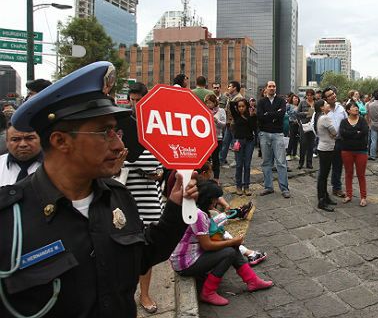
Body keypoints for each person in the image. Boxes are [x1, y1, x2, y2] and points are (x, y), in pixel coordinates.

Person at [0, 61, 198, 317]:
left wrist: (176, 207)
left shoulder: (117, 196)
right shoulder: (8, 218)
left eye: (116, 131)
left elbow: (142, 256)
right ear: (60, 141)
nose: (118, 146)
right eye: (105, 132)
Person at [170, 180, 273, 306]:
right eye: (215, 199)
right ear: (208, 199)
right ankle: (208, 292)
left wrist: (231, 242)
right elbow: (207, 245)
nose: (216, 202)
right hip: (185, 263)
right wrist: (232, 242)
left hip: (190, 256)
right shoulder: (198, 215)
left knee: (232, 248)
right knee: (229, 252)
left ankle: (253, 281)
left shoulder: (196, 209)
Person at [120, 149, 164, 314]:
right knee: (124, 253)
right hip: (125, 203)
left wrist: (157, 174)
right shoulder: (119, 141)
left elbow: (160, 169)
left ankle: (144, 295)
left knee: (146, 251)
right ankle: (125, 294)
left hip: (149, 203)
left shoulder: (152, 143)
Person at [257, 81, 290, 198]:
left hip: (278, 134)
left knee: (281, 162)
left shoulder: (281, 101)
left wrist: (268, 115)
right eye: (269, 86)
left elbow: (281, 115)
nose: (272, 88)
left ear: (276, 88)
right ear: (266, 88)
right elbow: (259, 116)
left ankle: (284, 188)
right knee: (266, 162)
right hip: (264, 134)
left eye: (274, 86)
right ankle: (268, 187)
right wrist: (274, 114)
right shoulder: (261, 102)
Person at [339, 101, 369, 206]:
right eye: (353, 107)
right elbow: (343, 133)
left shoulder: (362, 120)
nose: (356, 108)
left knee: (361, 175)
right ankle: (349, 195)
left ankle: (363, 197)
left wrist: (351, 134)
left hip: (361, 151)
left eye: (356, 107)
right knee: (348, 173)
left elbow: (365, 131)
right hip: (347, 150)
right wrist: (356, 132)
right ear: (348, 110)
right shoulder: (343, 121)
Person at [323, 87, 348, 198]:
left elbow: (347, 121)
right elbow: (315, 125)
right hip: (327, 142)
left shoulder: (341, 108)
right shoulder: (323, 110)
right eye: (329, 95)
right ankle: (322, 190)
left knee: (338, 166)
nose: (333, 96)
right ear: (326, 99)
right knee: (325, 167)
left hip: (339, 142)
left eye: (333, 94)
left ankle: (336, 188)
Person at [230, 98, 257, 195]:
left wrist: (252, 116)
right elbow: (231, 104)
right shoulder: (236, 115)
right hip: (238, 141)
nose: (241, 108)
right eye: (239, 106)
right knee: (239, 165)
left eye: (243, 106)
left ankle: (246, 186)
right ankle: (238, 186)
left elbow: (254, 128)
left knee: (247, 165)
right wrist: (238, 100)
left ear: (246, 107)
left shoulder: (251, 115)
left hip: (249, 141)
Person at [315, 99, 337, 212]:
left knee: (323, 175)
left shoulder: (320, 117)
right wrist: (333, 134)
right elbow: (334, 132)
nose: (328, 105)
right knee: (323, 175)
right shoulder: (325, 118)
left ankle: (325, 197)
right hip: (326, 149)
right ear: (322, 108)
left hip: (324, 148)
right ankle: (322, 200)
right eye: (326, 104)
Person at [220, 81, 244, 167]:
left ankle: (237, 160)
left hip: (235, 125)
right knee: (226, 142)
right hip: (229, 124)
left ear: (234, 88)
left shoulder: (238, 98)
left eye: (230, 86)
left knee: (235, 143)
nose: (228, 88)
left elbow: (238, 113)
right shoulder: (231, 97)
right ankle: (221, 159)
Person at [205, 93, 226, 182]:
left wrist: (217, 121)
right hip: (206, 138)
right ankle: (206, 176)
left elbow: (224, 124)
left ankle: (216, 178)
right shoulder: (205, 110)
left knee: (215, 158)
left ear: (214, 102)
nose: (208, 105)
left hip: (217, 138)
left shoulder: (221, 111)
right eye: (207, 103)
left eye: (209, 103)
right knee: (206, 159)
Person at [297, 89, 316, 169]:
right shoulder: (302, 103)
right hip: (304, 125)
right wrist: (305, 113)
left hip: (312, 125)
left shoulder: (316, 103)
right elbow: (297, 113)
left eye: (311, 95)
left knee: (311, 144)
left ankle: (309, 163)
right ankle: (301, 162)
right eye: (308, 95)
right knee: (303, 143)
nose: (309, 96)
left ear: (313, 95)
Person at [286, 93, 301, 160]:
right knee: (291, 138)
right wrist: (291, 119)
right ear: (292, 99)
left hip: (298, 124)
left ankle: (294, 154)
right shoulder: (289, 105)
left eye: (297, 98)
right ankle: (288, 154)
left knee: (296, 139)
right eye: (295, 98)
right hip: (291, 123)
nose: (296, 99)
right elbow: (285, 113)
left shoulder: (299, 106)